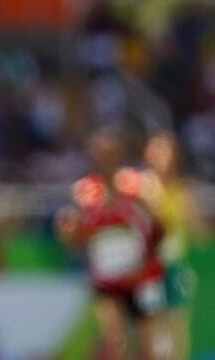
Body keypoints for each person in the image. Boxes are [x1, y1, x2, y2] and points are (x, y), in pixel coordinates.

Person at [55, 128, 168, 360]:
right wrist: (69, 233)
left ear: (120, 154)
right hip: (106, 279)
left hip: (142, 278)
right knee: (114, 340)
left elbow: (159, 226)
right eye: (99, 154)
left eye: (109, 153)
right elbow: (77, 238)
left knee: (148, 343)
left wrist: (148, 261)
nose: (104, 160)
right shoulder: (84, 191)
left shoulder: (137, 185)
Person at [144, 132, 209, 360]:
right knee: (149, 327)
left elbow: (198, 233)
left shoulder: (184, 190)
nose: (164, 157)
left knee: (178, 323)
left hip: (176, 265)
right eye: (159, 151)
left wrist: (195, 220)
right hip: (146, 268)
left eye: (169, 152)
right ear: (148, 154)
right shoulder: (141, 188)